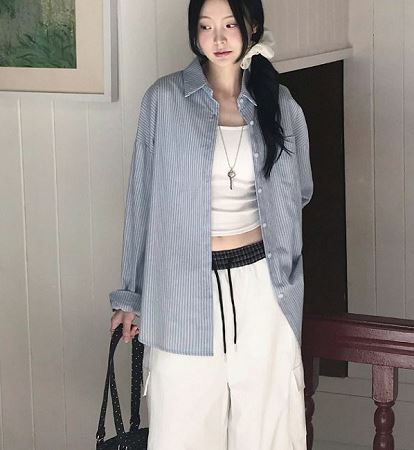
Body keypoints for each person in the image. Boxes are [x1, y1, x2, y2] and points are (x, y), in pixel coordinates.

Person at [109, 0, 313, 448]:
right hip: (182, 291)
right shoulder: (164, 100)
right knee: (183, 428)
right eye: (205, 27)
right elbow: (142, 201)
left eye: (229, 25)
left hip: (264, 288)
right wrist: (131, 295)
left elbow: (300, 190)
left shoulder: (279, 103)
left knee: (268, 432)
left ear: (252, 27)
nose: (217, 39)